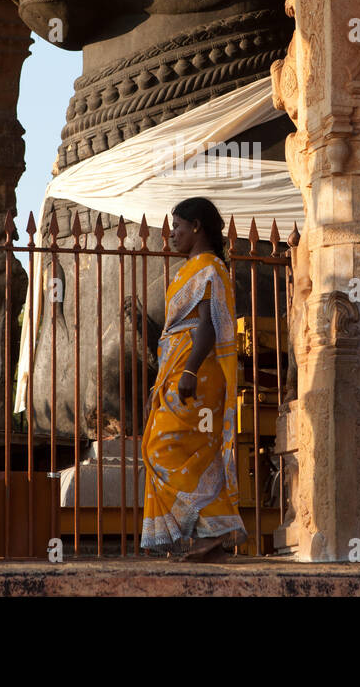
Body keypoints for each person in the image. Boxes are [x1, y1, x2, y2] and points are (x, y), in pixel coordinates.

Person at [140, 197, 248, 561]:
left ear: (197, 227)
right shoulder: (188, 271)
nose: (172, 235)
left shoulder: (208, 269)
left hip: (196, 372)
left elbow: (208, 326)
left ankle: (212, 532)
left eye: (178, 228)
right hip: (180, 369)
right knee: (198, 454)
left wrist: (188, 371)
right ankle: (211, 538)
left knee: (161, 447)